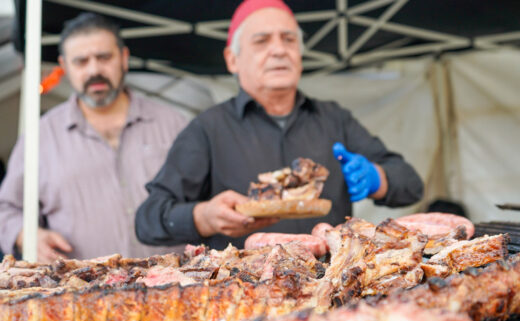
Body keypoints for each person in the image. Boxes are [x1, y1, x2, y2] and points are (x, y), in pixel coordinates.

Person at [135, 0, 423, 250]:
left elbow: (411, 184)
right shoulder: (208, 129)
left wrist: (378, 178)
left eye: (288, 39)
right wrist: (204, 217)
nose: (279, 50)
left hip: (332, 290)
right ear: (232, 60)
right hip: (245, 296)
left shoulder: (333, 118)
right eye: (262, 41)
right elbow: (148, 219)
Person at [0, 13, 189, 262]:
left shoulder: (173, 123)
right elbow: (6, 208)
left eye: (104, 57)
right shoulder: (39, 137)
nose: (94, 70)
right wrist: (25, 235)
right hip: (81, 292)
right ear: (64, 67)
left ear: (123, 58)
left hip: (175, 289)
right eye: (81, 61)